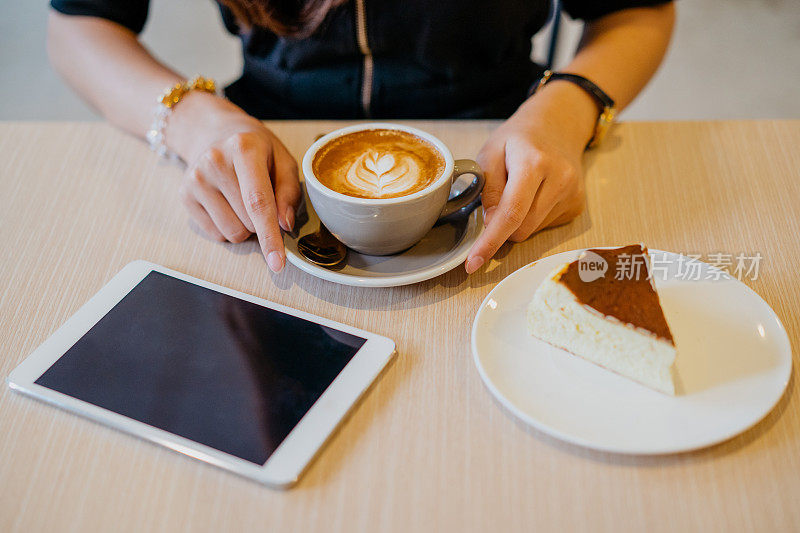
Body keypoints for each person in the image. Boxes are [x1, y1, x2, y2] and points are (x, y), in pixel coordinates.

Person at [47, 0, 675, 273]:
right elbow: (78, 27)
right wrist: (192, 120)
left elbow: (637, 11)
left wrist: (566, 111)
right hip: (259, 151)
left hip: (505, 146)